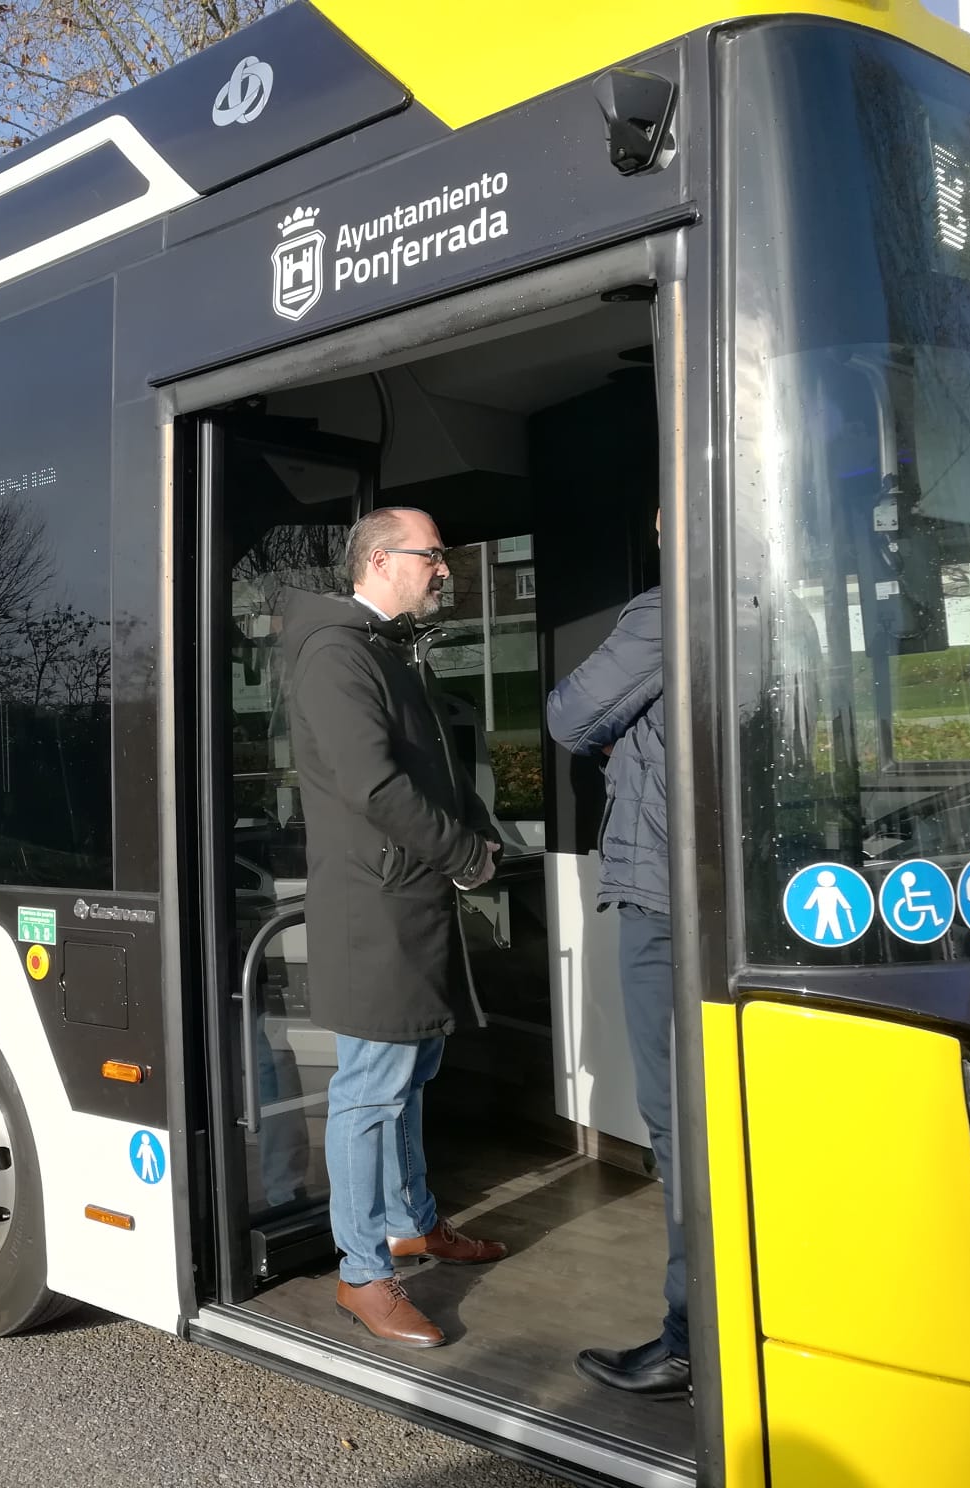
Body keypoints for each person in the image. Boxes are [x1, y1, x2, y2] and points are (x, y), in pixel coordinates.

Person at [280, 505, 506, 1350]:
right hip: (377, 912)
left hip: (405, 902)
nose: (443, 569)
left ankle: (412, 1224)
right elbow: (374, 787)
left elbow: (425, 770)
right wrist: (466, 856)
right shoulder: (339, 654)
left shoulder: (379, 649)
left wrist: (473, 832)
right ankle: (363, 1275)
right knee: (371, 1092)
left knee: (407, 1075)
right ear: (381, 561)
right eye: (433, 556)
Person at [544, 508, 685, 1398]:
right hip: (725, 891)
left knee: (678, 1122)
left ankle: (691, 1341)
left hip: (663, 899)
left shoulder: (663, 613)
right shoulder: (781, 607)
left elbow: (567, 717)